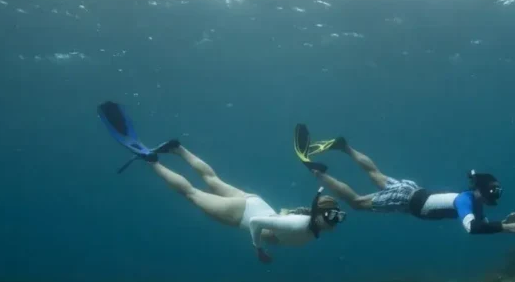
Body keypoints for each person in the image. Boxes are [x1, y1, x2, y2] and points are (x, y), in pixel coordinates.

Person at [97, 102, 345, 263]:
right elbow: (258, 223)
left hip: (253, 203)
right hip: (242, 215)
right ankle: (153, 162)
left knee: (211, 179)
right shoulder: (300, 225)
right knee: (191, 193)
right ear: (318, 215)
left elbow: (278, 221)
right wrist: (257, 248)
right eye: (332, 216)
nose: (336, 221)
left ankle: (177, 149)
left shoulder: (307, 224)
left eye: (338, 217)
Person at [293, 124, 515, 235]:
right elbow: (473, 228)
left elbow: (480, 222)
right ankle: (318, 172)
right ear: (481, 191)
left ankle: (346, 147)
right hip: (405, 200)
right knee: (357, 203)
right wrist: (502, 227)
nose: (494, 197)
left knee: (376, 174)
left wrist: (503, 223)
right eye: (493, 193)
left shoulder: (472, 202)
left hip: (411, 191)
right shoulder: (465, 203)